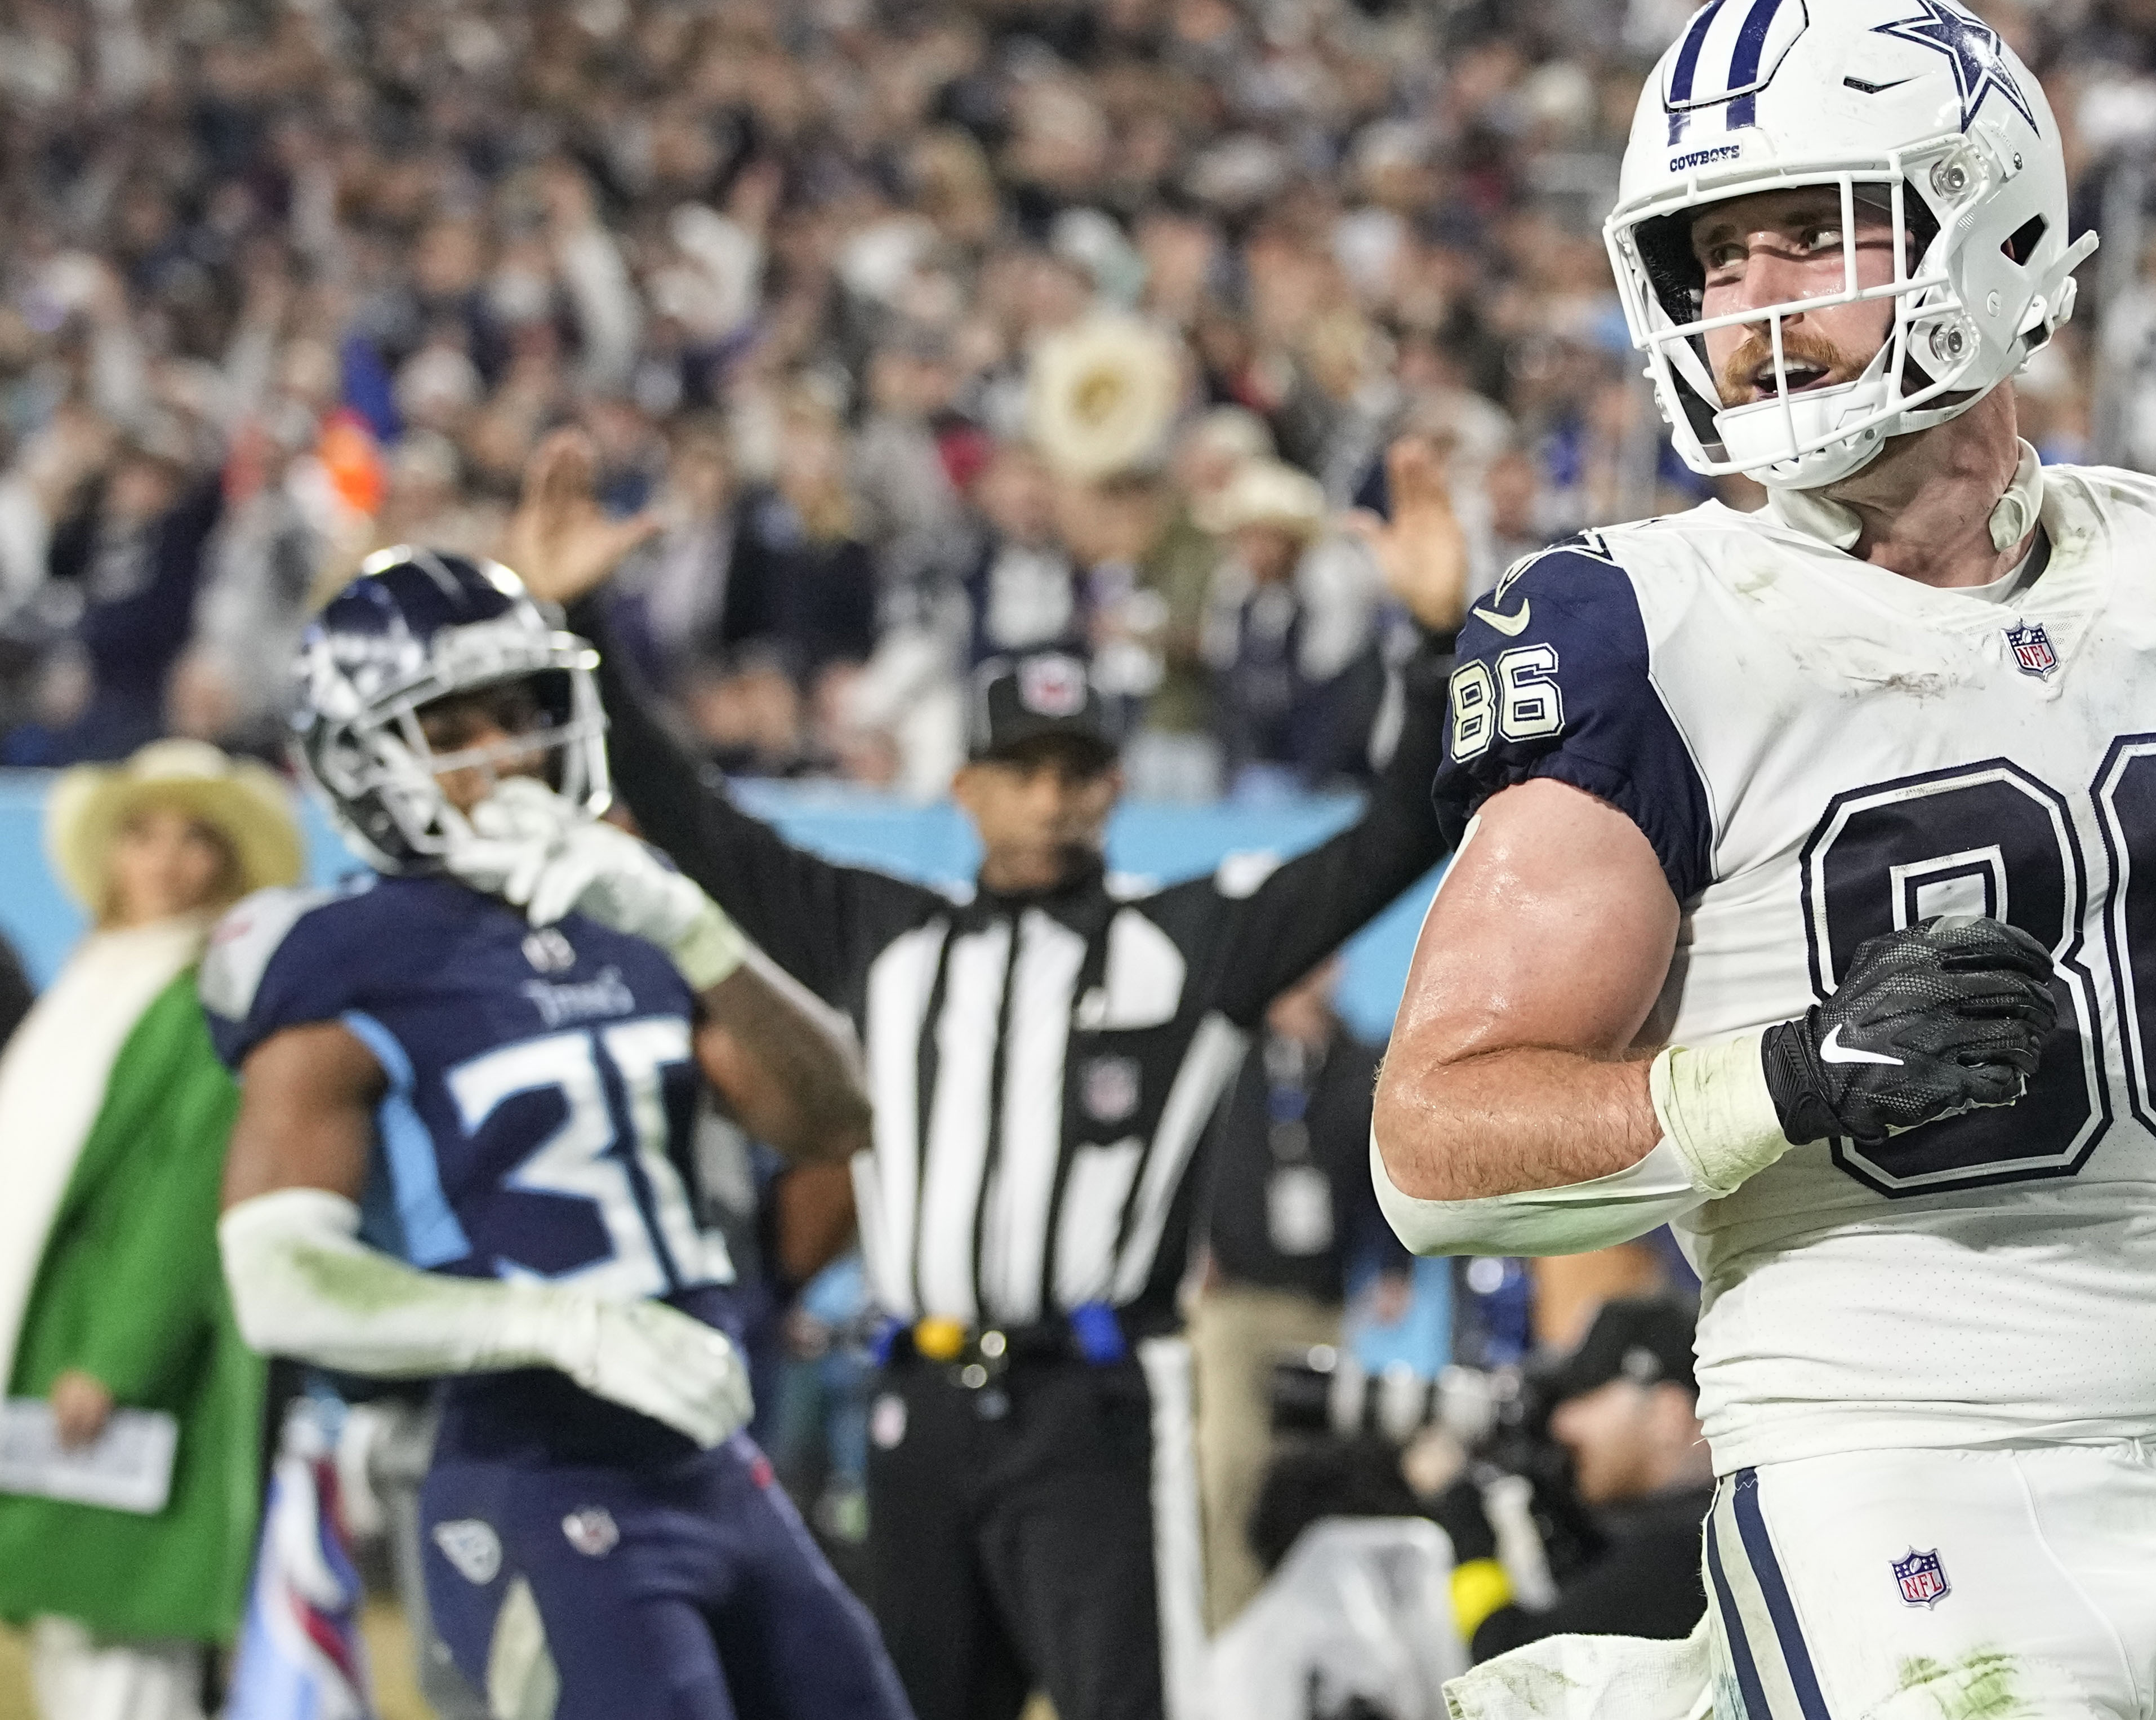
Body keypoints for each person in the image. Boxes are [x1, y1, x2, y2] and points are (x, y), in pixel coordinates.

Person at [1371, 0, 2156, 1720]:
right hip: (1878, 1473)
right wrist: (1786, 1074)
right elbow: (1430, 1141)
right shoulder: (1639, 626)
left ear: (1986, 219)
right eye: (1712, 258)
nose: (1749, 305)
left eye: (1805, 235)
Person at [502, 427, 1467, 1720]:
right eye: (1023, 771)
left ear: (1116, 785)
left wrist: (1432, 638)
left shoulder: (1189, 938)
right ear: (965, 787)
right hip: (918, 1405)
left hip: (1097, 1407)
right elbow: (692, 819)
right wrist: (580, 628)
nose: (1052, 798)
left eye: (1078, 771)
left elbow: (1397, 831)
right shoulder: (883, 935)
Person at [206, 550, 911, 1720]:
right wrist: (555, 1322)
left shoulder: (624, 912)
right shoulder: (338, 957)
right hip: (528, 1464)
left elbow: (837, 1113)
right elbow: (276, 1278)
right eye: (453, 721)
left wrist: (692, 928)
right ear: (357, 757)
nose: (508, 752)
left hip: (716, 1459)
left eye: (523, 711)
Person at [0, 740, 302, 1720]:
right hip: (53, 1350)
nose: (165, 862)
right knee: (76, 1638)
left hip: (113, 1370)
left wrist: (118, 1359)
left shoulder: (201, 998)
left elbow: (188, 1196)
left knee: (124, 1656)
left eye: (194, 839)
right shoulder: (98, 981)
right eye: (143, 835)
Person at [1190, 955, 1404, 1628]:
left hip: (1320, 1304)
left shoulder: (1362, 1060)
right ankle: (1231, 1632)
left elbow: (1388, 1160)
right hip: (1234, 1304)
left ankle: (1308, 1633)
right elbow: (1184, 1154)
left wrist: (1396, 1264)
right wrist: (1189, 1246)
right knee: (1228, 1467)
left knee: (1316, 1475)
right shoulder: (1226, 1056)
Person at [1463, 1297, 1713, 1665]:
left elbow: (1515, 1675)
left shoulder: (1690, 1555)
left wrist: (1468, 1535)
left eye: (1584, 1394)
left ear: (1668, 1413)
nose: (1562, 1424)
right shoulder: (1702, 1527)